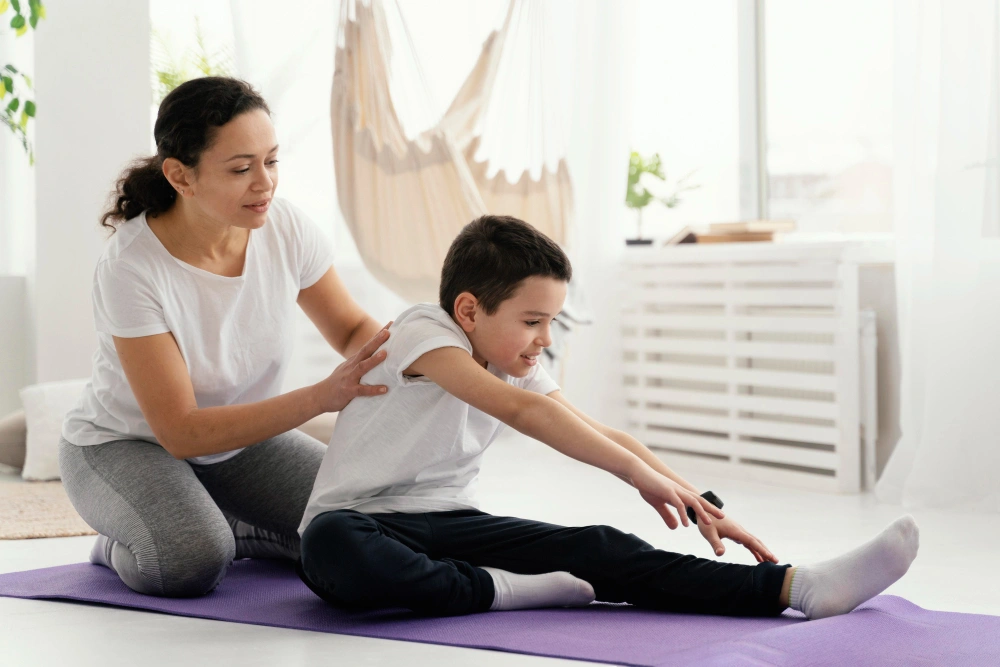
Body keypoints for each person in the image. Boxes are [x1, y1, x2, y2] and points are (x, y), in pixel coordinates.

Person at [297, 215, 920, 619]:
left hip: (447, 524)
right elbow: (521, 412)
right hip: (359, 524)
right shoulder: (421, 332)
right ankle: (508, 590)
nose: (544, 338)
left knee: (601, 545)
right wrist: (634, 477)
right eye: (533, 321)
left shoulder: (510, 357)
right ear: (468, 310)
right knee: (333, 547)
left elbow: (601, 432)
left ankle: (796, 589)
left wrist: (697, 500)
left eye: (552, 322)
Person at [59, 77, 392, 598]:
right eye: (241, 169)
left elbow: (351, 329)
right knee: (190, 559)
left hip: (239, 443)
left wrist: (421, 360)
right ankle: (124, 541)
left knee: (374, 523)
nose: (265, 184)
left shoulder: (285, 228)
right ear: (180, 176)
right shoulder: (132, 267)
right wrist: (322, 397)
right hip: (126, 445)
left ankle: (233, 524)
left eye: (272, 161)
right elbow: (182, 432)